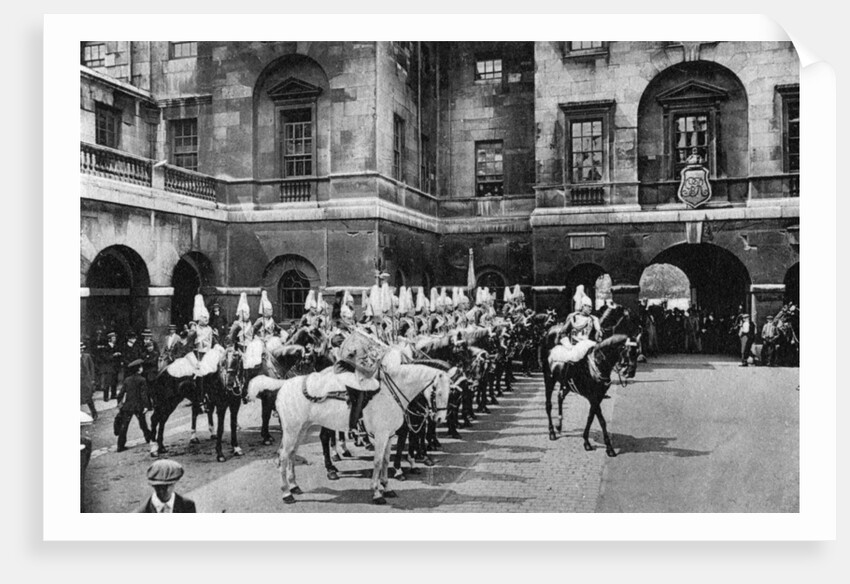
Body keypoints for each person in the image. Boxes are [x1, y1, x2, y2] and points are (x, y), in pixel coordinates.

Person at [114, 359, 152, 452]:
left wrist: (119, 404)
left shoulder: (127, 380)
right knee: (143, 423)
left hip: (128, 406)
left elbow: (121, 393)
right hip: (138, 406)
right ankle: (149, 438)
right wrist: (146, 406)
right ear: (139, 369)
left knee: (124, 425)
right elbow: (144, 394)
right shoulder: (142, 380)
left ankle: (120, 445)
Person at [100, 331, 122, 401]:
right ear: (109, 339)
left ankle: (113, 394)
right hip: (108, 367)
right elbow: (104, 357)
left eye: (115, 337)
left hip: (115, 366)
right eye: (113, 338)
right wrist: (113, 355)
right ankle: (106, 396)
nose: (114, 339)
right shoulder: (105, 347)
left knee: (114, 381)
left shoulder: (116, 346)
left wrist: (118, 355)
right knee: (107, 382)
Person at [80, 341, 98, 421]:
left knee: (89, 398)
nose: (81, 350)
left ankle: (94, 413)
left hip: (86, 380)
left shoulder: (87, 356)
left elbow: (92, 368)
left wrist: (92, 379)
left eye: (82, 348)